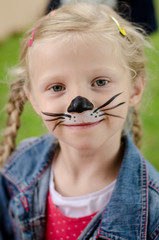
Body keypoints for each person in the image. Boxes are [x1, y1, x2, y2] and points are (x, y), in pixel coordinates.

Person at [0, 2, 159, 240]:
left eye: (100, 82)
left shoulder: (152, 210)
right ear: (33, 99)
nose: (79, 104)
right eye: (57, 87)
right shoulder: (19, 169)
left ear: (135, 88)